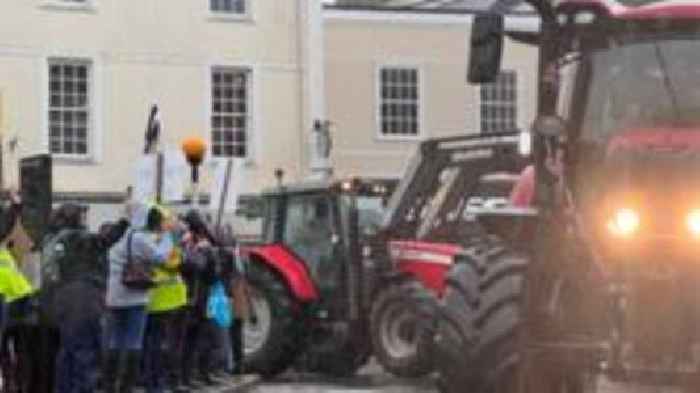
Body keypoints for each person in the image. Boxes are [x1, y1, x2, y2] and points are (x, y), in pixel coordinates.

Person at [43, 204, 129, 393]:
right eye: (82, 214)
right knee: (86, 350)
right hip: (83, 298)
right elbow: (106, 239)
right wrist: (125, 220)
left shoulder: (53, 239)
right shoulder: (77, 238)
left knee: (68, 350)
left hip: (63, 297)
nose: (85, 218)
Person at [104, 204, 178, 393]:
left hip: (113, 296)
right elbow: (161, 257)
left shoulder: (118, 237)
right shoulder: (139, 239)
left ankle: (110, 383)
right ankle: (125, 386)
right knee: (133, 341)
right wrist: (168, 238)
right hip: (134, 296)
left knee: (115, 340)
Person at [180, 210, 232, 388]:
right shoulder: (185, 245)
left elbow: (212, 273)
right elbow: (194, 267)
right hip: (188, 297)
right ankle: (186, 376)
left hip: (201, 296)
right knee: (187, 340)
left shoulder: (204, 246)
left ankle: (197, 374)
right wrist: (198, 252)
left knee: (201, 338)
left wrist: (210, 254)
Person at [142, 210, 188, 393]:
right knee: (158, 346)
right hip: (161, 300)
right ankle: (155, 384)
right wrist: (177, 248)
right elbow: (172, 262)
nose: (172, 223)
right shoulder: (161, 240)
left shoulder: (155, 238)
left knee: (154, 344)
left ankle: (154, 382)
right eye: (168, 220)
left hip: (161, 299)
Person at [0, 191, 39, 392]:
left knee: (15, 345)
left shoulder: (6, 242)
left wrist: (15, 207)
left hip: (13, 296)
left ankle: (16, 384)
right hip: (15, 295)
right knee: (15, 345)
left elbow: (6, 225)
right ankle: (14, 384)